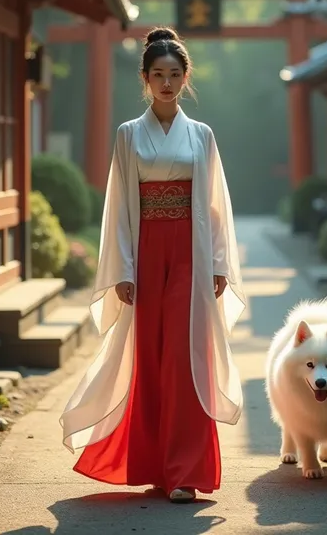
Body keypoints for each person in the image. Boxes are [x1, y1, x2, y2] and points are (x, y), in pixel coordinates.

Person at [60, 27, 246, 504]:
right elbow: (119, 207)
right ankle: (150, 463)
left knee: (185, 357)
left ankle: (184, 472)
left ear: (186, 79)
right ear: (144, 79)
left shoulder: (202, 136)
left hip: (191, 249)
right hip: (145, 252)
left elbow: (217, 204)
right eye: (158, 74)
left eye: (175, 74)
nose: (167, 82)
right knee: (150, 356)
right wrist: (122, 268)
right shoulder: (128, 135)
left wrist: (220, 261)